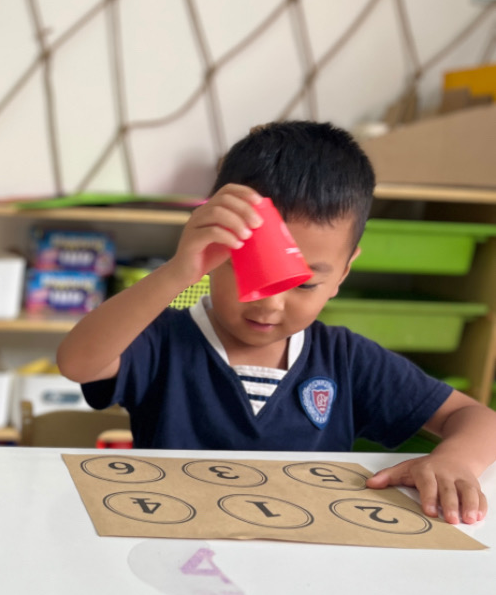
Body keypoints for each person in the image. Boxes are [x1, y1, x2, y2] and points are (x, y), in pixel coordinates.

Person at [56, 121, 496, 524]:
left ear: (343, 273)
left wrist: (455, 460)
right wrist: (177, 272)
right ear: (211, 256)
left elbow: (477, 417)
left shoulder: (346, 360)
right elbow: (78, 363)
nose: (269, 305)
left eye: (304, 285)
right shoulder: (163, 338)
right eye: (249, 273)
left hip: (299, 556)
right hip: (175, 538)